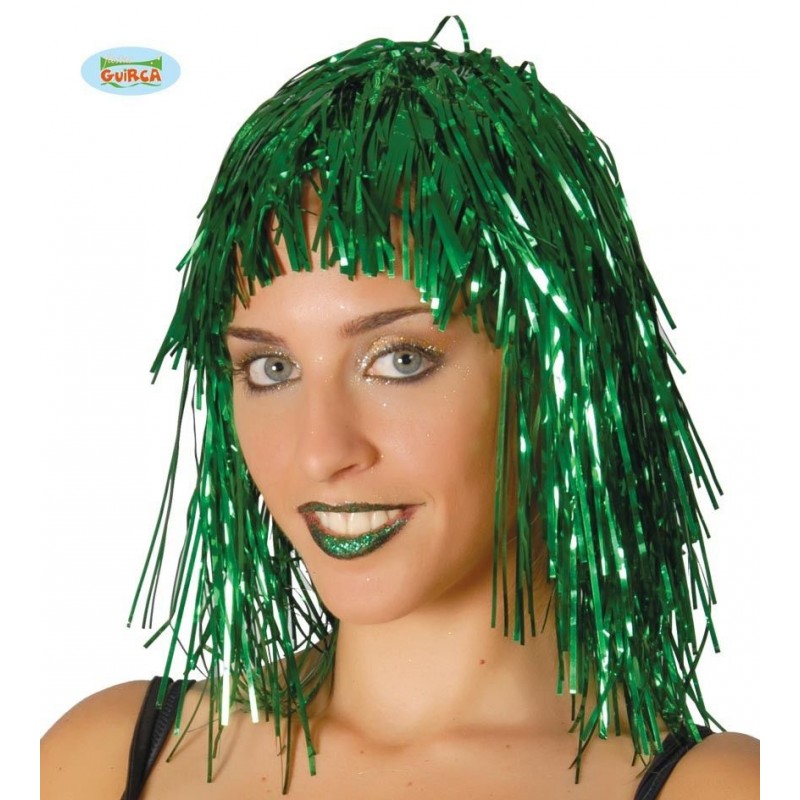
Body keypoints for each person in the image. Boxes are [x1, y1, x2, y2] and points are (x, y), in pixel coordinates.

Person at [41, 18, 759, 799]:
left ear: (560, 372)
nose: (320, 452)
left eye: (400, 361)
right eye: (272, 368)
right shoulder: (102, 758)